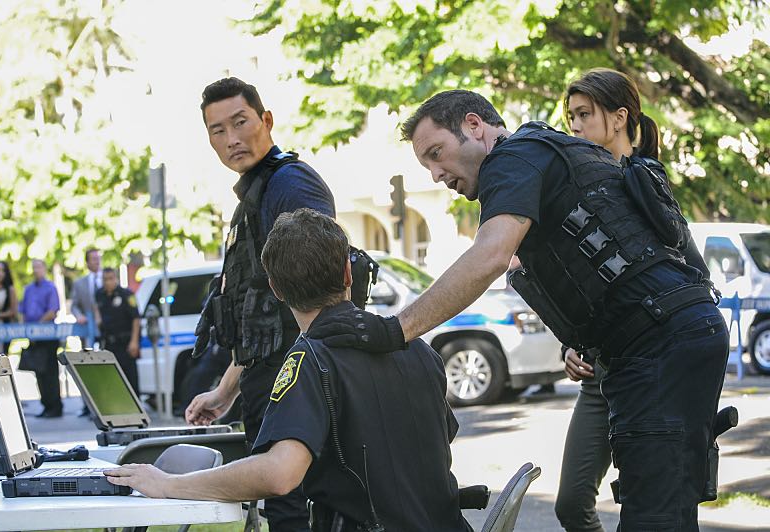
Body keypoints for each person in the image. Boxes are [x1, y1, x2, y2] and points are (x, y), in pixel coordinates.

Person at [310, 89, 729, 531]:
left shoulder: (511, 159)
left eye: (437, 153)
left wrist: (395, 330)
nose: (436, 174)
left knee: (654, 516)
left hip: (659, 343)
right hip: (668, 337)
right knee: (667, 508)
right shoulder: (549, 151)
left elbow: (490, 256)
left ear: (474, 126)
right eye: (427, 165)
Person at [106, 208, 472, 532]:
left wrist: (168, 484)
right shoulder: (417, 347)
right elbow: (438, 440)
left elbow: (279, 473)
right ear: (348, 273)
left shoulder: (309, 359)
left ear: (276, 289)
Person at [554, 68, 711, 532]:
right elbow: (582, 282)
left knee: (661, 505)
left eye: (585, 114)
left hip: (656, 366)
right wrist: (570, 343)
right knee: (571, 504)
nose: (575, 126)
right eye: (571, 116)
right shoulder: (578, 186)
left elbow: (691, 270)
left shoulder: (643, 179)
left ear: (620, 117)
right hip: (601, 372)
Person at [183, 77, 335, 532]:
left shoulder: (290, 184)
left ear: (266, 120)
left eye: (240, 122)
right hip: (276, 376)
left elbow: (320, 292)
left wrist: (307, 377)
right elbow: (259, 323)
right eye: (218, 130)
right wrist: (225, 391)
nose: (231, 139)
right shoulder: (259, 191)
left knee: (290, 506)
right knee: (282, 506)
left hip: (295, 377)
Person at [20, 259, 62, 418]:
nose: (36, 270)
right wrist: (28, 330)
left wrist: (37, 328)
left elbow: (52, 311)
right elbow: (23, 311)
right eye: (34, 267)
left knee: (50, 372)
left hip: (48, 336)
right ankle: (46, 405)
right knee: (39, 373)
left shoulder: (50, 288)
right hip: (33, 337)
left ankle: (55, 406)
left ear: (44, 269)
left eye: (38, 267)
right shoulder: (28, 289)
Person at [95, 267, 141, 395]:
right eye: (105, 279)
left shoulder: (127, 294)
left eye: (110, 279)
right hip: (109, 343)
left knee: (130, 379)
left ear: (116, 278)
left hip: (126, 343)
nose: (108, 282)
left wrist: (134, 342)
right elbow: (97, 309)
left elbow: (136, 318)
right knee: (112, 379)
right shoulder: (99, 294)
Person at [71, 248, 102, 416]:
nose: (97, 261)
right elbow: (74, 305)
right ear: (87, 262)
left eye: (98, 258)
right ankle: (88, 405)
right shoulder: (80, 283)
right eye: (93, 258)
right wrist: (79, 316)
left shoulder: (108, 278)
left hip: (105, 332)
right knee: (87, 366)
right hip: (87, 331)